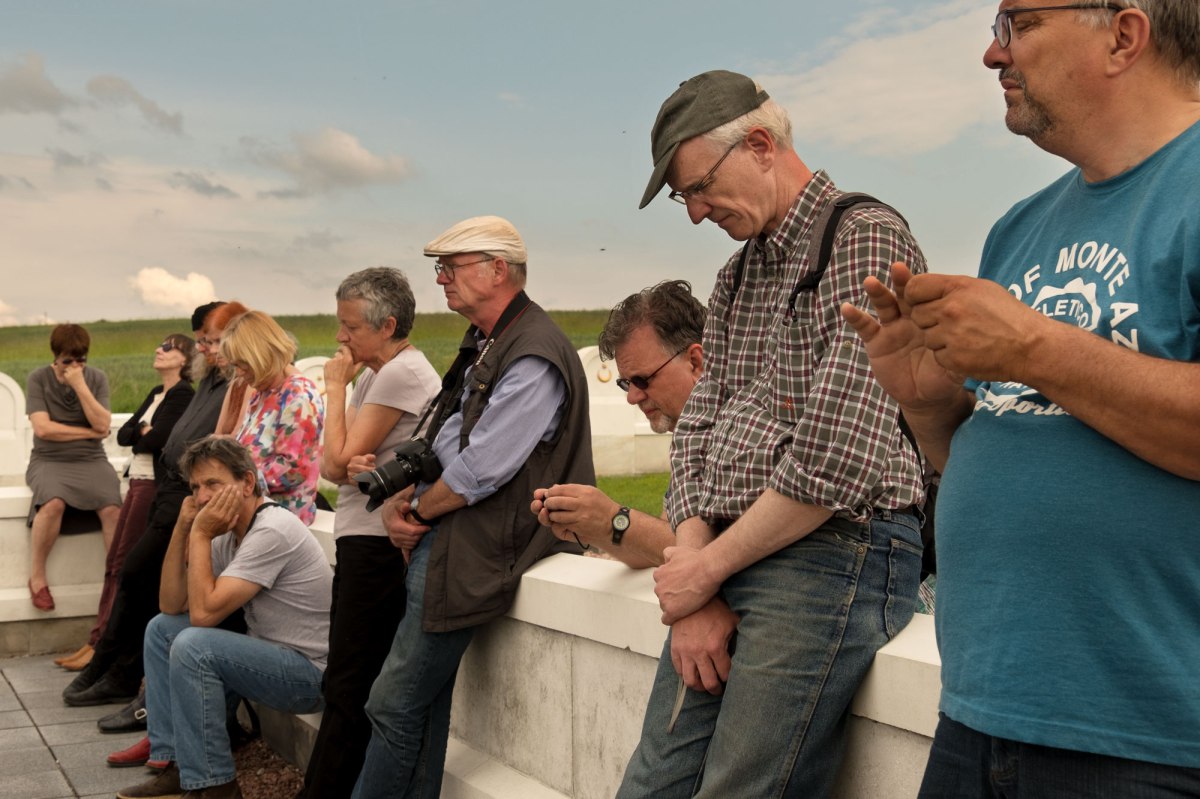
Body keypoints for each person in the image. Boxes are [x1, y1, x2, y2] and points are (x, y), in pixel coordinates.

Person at [841, 3, 1200, 794]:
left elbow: (1047, 362)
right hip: (980, 716)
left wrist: (1033, 345)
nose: (991, 54)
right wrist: (932, 409)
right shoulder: (1019, 228)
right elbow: (1001, 447)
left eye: (1018, 24)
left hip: (1150, 741)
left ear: (1123, 34)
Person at [619, 70, 928, 798]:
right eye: (682, 198)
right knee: (651, 784)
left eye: (699, 187)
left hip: (833, 544)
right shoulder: (734, 278)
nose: (695, 212)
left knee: (742, 788)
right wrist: (696, 569)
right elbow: (697, 426)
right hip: (734, 550)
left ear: (760, 144)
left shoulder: (865, 235)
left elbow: (837, 455)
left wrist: (706, 566)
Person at [351, 215, 594, 798]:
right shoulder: (490, 342)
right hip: (460, 545)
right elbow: (446, 436)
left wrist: (416, 512)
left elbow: (483, 467)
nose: (440, 280)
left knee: (392, 702)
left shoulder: (532, 353)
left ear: (498, 270)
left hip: (478, 547)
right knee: (421, 709)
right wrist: (404, 493)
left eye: (451, 268)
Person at [116, 436, 332, 799]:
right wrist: (185, 529)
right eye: (196, 487)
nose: (201, 498)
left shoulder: (272, 529)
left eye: (213, 484)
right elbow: (171, 604)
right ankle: (175, 765)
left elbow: (202, 616)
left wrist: (199, 532)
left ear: (247, 483)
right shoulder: (225, 533)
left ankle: (216, 784)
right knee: (161, 630)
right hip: (267, 656)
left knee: (193, 644)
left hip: (309, 674)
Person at [298, 267, 441, 799]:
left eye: (349, 326)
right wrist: (339, 453)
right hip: (361, 539)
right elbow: (333, 461)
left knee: (349, 684)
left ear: (389, 325)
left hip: (377, 548)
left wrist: (333, 390)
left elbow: (334, 466)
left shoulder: (399, 374)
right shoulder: (375, 374)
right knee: (347, 681)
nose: (340, 338)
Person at [65, 302, 238, 710]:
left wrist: (151, 437)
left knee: (138, 573)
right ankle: (113, 666)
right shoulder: (209, 382)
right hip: (169, 491)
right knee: (135, 576)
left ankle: (120, 670)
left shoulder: (224, 385)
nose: (205, 349)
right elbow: (133, 435)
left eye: (210, 341)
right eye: (201, 341)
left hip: (186, 493)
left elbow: (159, 438)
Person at [531, 280, 709, 569]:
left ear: (695, 361)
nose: (632, 397)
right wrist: (596, 528)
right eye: (626, 383)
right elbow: (665, 543)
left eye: (642, 380)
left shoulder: (736, 432)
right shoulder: (688, 436)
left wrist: (612, 518)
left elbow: (699, 552)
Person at [55, 334, 197, 673]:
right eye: (159, 344)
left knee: (123, 563)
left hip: (152, 485)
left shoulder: (182, 395)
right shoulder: (157, 393)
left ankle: (105, 644)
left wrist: (144, 432)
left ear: (184, 359)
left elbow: (158, 440)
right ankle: (97, 639)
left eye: (168, 348)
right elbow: (125, 435)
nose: (158, 349)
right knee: (114, 563)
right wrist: (142, 431)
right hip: (135, 482)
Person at [25, 323, 122, 611]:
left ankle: (115, 584)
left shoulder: (96, 379)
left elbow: (103, 424)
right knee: (52, 502)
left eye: (81, 360)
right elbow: (43, 429)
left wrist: (80, 386)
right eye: (68, 361)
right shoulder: (39, 378)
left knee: (113, 508)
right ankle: (37, 578)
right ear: (56, 357)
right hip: (49, 459)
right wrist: (89, 432)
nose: (75, 366)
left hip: (91, 459)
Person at [219, 309, 325, 524]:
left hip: (280, 521)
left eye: (242, 363)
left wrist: (233, 482)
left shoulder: (298, 394)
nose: (238, 372)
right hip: (253, 515)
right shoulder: (261, 393)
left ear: (260, 355)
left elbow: (293, 470)